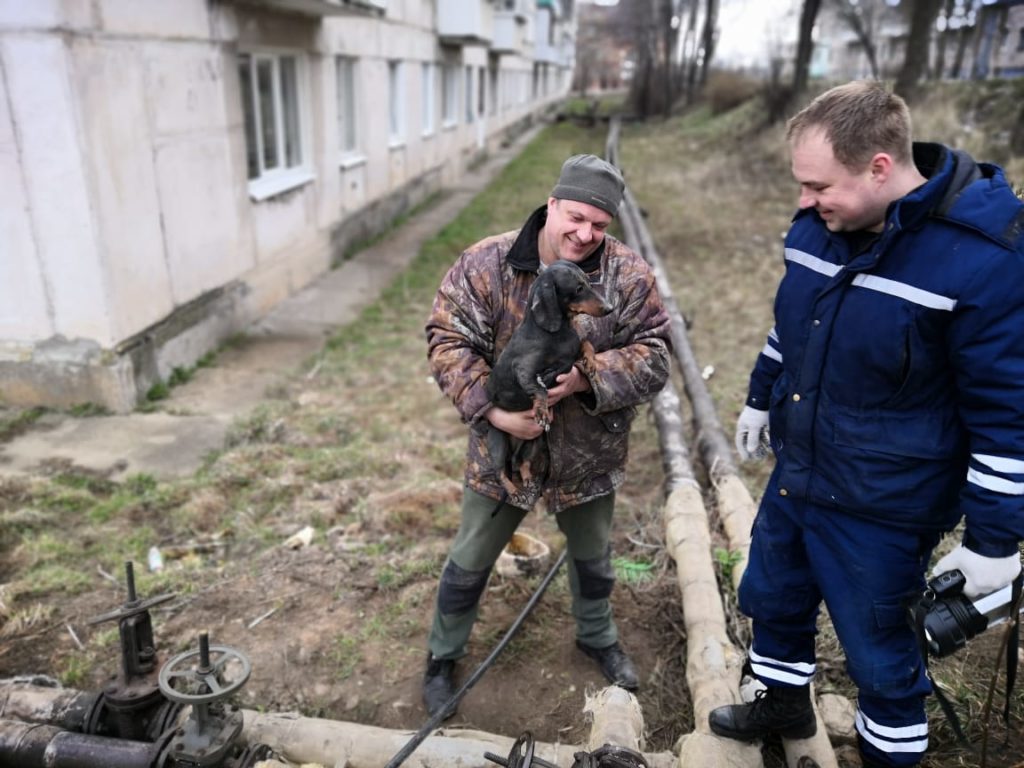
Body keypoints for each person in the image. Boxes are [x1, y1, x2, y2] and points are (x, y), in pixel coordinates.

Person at [707, 80, 1024, 767]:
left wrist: (994, 541)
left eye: (819, 185)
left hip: (885, 503)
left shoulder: (984, 259)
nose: (804, 201)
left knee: (880, 655)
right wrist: (760, 395)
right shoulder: (819, 225)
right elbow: (792, 324)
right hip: (800, 472)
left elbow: (1007, 411)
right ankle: (782, 701)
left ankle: (889, 754)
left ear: (879, 167)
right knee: (774, 598)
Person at [422, 154, 672, 719]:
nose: (585, 234)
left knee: (594, 558)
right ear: (552, 204)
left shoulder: (627, 274)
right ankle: (442, 657)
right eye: (576, 217)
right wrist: (492, 411)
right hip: (504, 449)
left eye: (599, 224)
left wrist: (587, 378)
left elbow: (656, 354)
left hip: (588, 450)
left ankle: (597, 637)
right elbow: (446, 341)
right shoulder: (486, 264)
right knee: (470, 559)